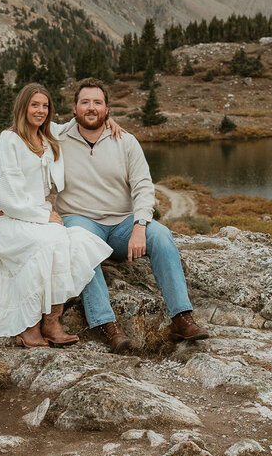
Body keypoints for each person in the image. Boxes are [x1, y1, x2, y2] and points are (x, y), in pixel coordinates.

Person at [53, 77, 208, 352]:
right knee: (79, 244)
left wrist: (139, 226)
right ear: (74, 108)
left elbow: (143, 187)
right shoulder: (57, 139)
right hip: (81, 221)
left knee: (160, 234)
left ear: (107, 108)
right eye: (85, 102)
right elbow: (24, 127)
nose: (91, 108)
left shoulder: (125, 141)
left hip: (121, 225)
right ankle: (108, 327)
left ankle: (181, 318)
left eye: (97, 103)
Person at [0, 84, 113, 347]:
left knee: (76, 241)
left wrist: (107, 116)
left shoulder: (49, 134)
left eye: (45, 106)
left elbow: (80, 118)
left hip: (36, 218)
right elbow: (5, 195)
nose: (40, 110)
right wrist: (43, 215)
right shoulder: (9, 139)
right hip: (6, 219)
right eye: (34, 105)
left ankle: (51, 322)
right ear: (23, 107)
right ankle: (28, 325)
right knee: (48, 242)